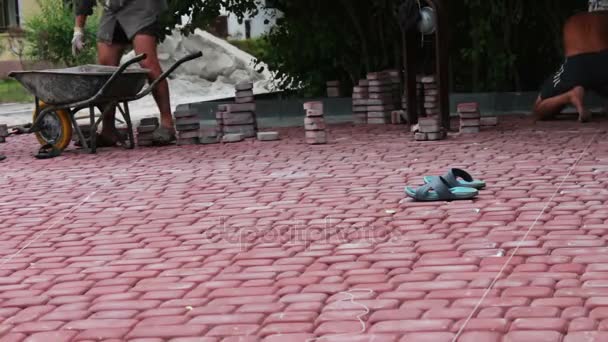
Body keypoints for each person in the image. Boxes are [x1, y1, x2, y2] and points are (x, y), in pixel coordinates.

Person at [72, 0, 175, 145]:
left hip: (141, 5)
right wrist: (78, 30)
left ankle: (167, 124)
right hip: (113, 9)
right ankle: (109, 131)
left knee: (147, 63)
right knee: (106, 70)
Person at [534, 10, 608, 122]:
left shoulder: (573, 20)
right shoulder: (603, 17)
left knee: (539, 108)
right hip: (605, 59)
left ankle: (570, 96)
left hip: (576, 64)